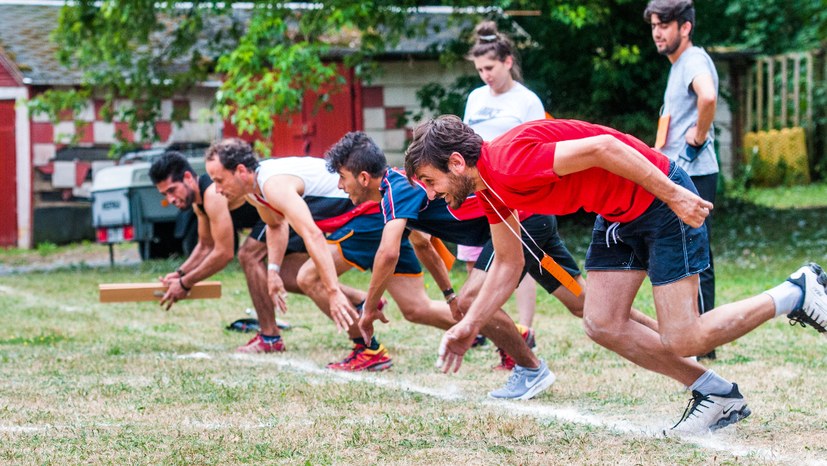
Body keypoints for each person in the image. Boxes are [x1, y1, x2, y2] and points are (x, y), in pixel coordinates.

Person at [404, 115, 827, 435]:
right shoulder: (489, 190)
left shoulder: (509, 162)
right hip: (617, 214)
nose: (429, 193)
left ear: (457, 162)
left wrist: (675, 193)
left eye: (429, 180)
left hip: (661, 200)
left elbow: (605, 147)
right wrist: (469, 325)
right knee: (601, 322)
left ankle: (797, 291)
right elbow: (509, 264)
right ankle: (716, 394)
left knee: (684, 336)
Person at [325, 131, 559, 399]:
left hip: (521, 221)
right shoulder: (398, 191)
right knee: (580, 302)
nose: (341, 186)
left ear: (364, 178)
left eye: (342, 177)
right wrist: (449, 296)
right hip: (528, 220)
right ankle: (521, 341)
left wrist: (368, 310)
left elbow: (388, 254)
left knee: (472, 300)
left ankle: (530, 368)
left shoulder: (396, 188)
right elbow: (422, 244)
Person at [148, 151, 284, 353]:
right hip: (268, 220)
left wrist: (185, 284)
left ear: (187, 177)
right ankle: (350, 305)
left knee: (248, 255)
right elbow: (205, 245)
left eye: (172, 190)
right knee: (296, 278)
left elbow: (224, 253)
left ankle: (270, 336)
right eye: (165, 195)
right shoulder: (199, 203)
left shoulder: (212, 194)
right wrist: (180, 273)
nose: (171, 199)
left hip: (277, 214)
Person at [461, 21, 547, 333]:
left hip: (513, 191)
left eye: (490, 67)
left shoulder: (527, 100)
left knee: (516, 263)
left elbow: (542, 147)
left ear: (507, 62)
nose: (485, 75)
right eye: (480, 69)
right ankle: (482, 326)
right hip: (478, 190)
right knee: (475, 261)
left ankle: (525, 328)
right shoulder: (475, 97)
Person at [646, 0, 720, 360]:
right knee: (688, 254)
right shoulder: (678, 66)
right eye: (655, 25)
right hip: (679, 173)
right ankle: (698, 335)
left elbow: (708, 96)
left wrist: (699, 137)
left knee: (697, 254)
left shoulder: (693, 59)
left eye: (664, 25)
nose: (657, 32)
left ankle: (704, 339)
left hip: (695, 172)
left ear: (684, 27)